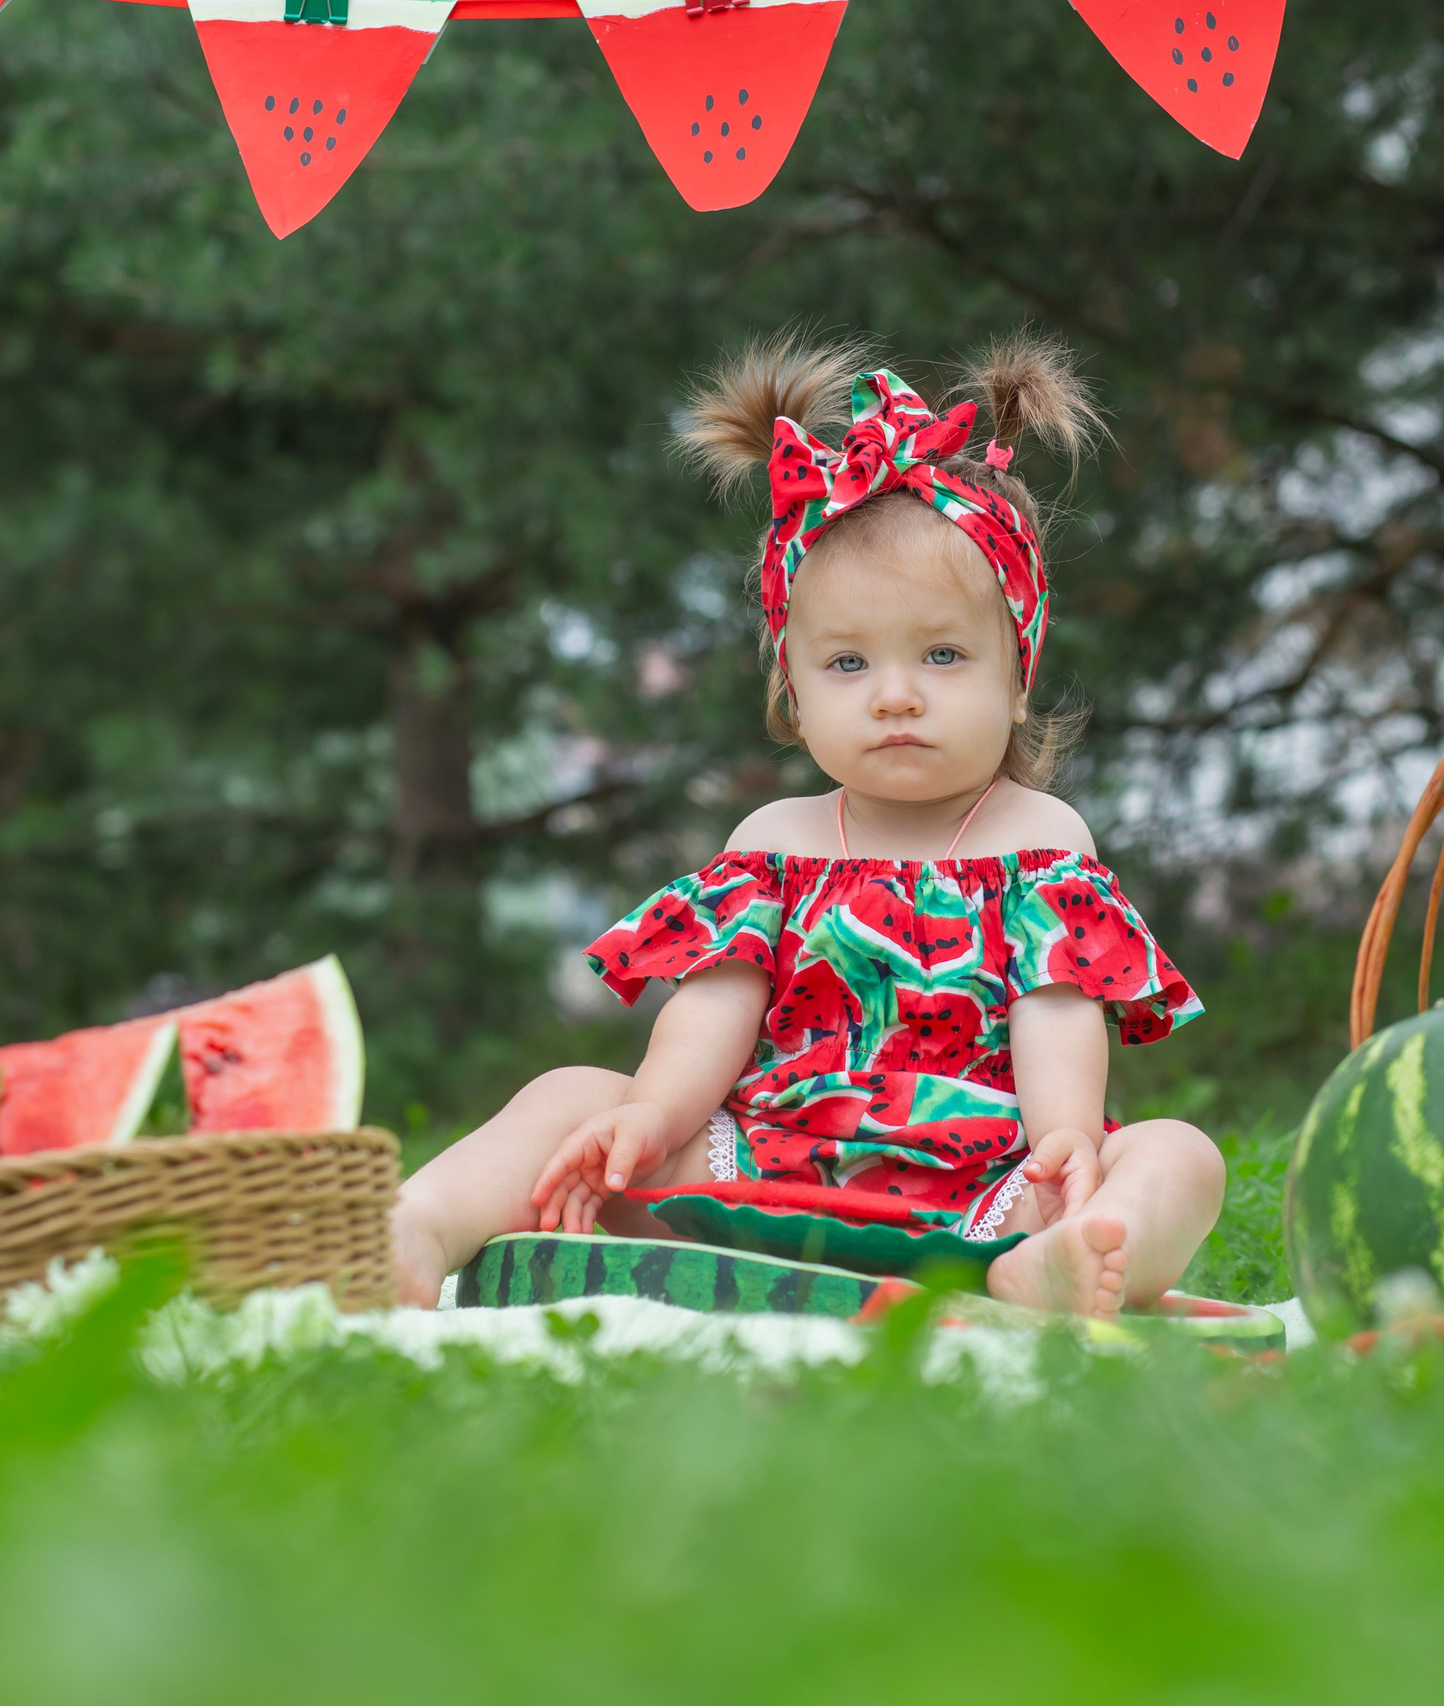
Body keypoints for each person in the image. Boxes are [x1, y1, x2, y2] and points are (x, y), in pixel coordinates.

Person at [392, 334, 1225, 1317]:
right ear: (792, 683)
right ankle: (411, 1229)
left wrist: (1067, 1137)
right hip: (748, 1177)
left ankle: (1050, 1264)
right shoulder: (775, 841)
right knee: (577, 1092)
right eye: (848, 664)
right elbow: (711, 1014)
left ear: (1018, 676)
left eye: (945, 655)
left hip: (982, 1195)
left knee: (1178, 1153)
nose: (896, 697)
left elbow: (1054, 1013)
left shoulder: (1038, 838)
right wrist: (651, 1119)